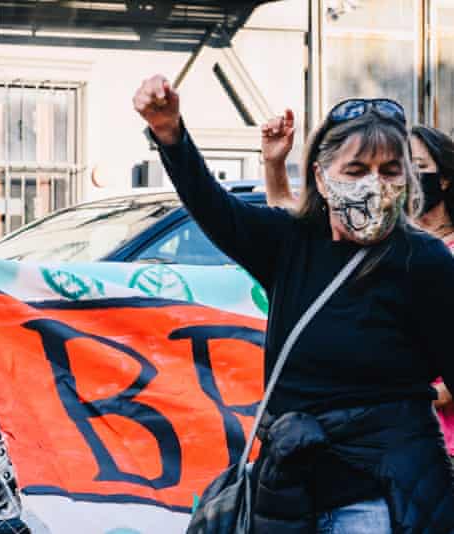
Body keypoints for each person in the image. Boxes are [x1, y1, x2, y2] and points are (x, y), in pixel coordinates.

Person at [135, 76, 454, 532]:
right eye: (356, 170)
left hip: (379, 500)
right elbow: (212, 207)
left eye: (389, 171)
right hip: (285, 493)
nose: (373, 185)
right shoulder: (290, 241)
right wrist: (169, 133)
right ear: (321, 178)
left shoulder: (422, 259)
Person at [262, 113, 454, 460]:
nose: (375, 182)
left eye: (401, 167)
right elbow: (290, 230)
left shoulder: (431, 257)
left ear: (442, 179)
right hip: (361, 443)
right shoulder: (377, 243)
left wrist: (412, 390)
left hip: (425, 443)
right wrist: (274, 165)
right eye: (359, 170)